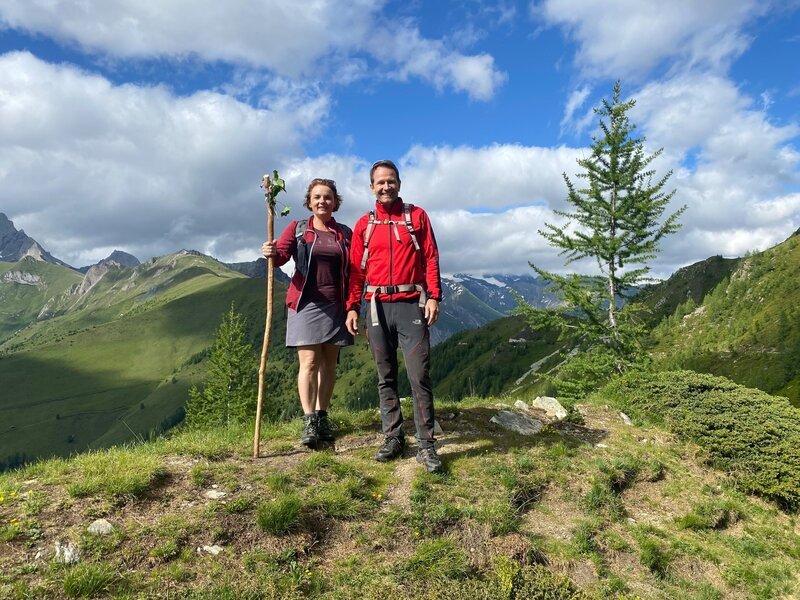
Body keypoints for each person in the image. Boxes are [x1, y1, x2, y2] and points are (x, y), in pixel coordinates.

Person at [345, 160, 443, 472]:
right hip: (375, 306)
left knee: (419, 376)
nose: (386, 187)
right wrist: (351, 306)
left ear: (399, 183)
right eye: (380, 183)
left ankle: (426, 445)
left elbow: (431, 256)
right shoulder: (364, 225)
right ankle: (393, 436)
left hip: (411, 303)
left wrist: (434, 297)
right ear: (371, 187)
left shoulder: (416, 216)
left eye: (391, 181)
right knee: (384, 377)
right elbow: (356, 272)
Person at [262, 178, 353, 448]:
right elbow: (280, 257)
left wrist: (353, 306)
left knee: (329, 364)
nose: (322, 201)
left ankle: (323, 416)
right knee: (309, 362)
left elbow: (356, 267)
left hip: (337, 305)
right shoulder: (298, 228)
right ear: (309, 202)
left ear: (335, 202)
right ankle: (309, 420)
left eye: (327, 197)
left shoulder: (345, 233)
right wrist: (270, 251)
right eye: (317, 197)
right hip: (306, 304)